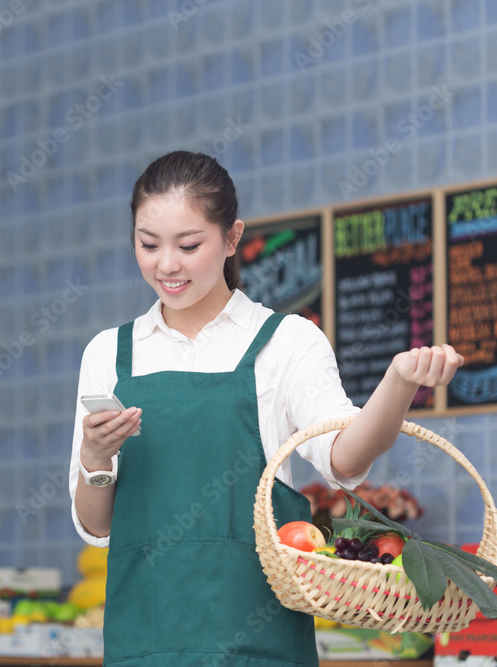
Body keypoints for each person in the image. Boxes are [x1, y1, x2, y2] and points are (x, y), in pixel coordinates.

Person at [67, 150, 463, 666]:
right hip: (145, 641)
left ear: (232, 238)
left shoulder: (286, 342)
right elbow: (97, 528)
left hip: (259, 646)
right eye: (148, 244)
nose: (167, 264)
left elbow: (344, 459)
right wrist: (95, 457)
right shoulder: (109, 354)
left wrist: (398, 384)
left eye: (189, 245)